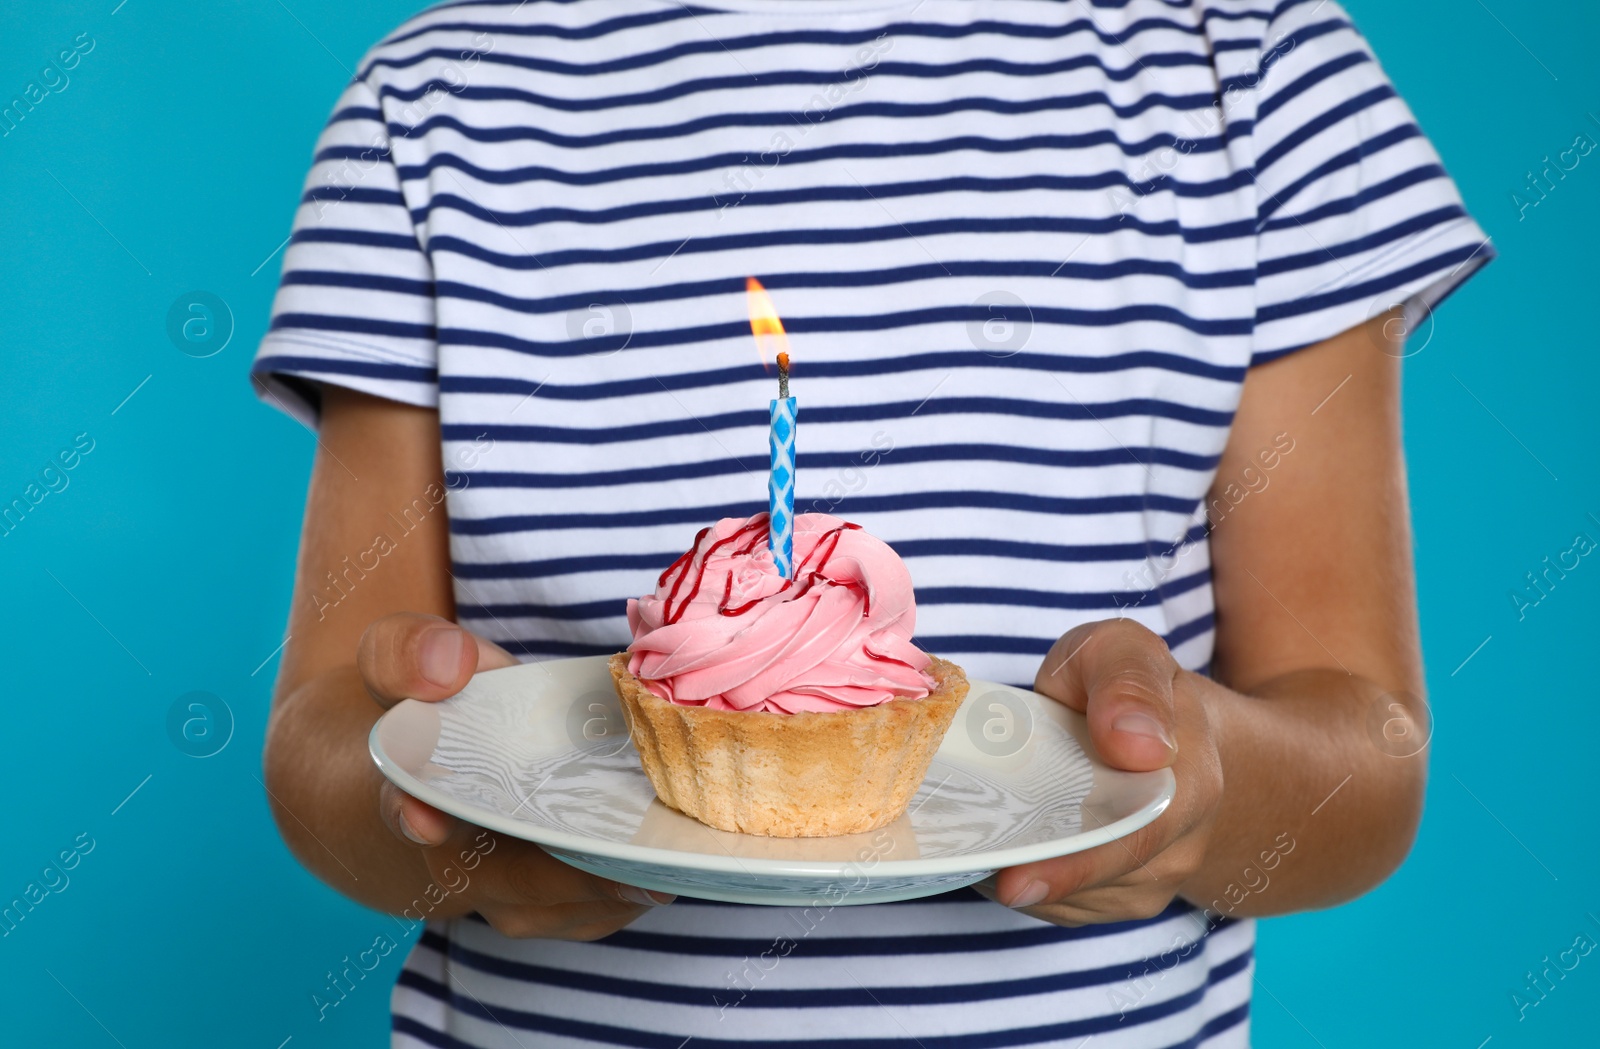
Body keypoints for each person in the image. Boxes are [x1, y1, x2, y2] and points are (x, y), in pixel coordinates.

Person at [250, 0, 1491, 1044]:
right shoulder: (435, 101)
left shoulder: (1252, 72)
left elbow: (1367, 754)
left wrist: (1202, 774)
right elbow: (317, 738)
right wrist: (436, 800)